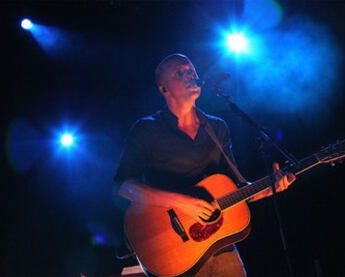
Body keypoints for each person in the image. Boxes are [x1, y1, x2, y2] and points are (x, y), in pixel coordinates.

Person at [114, 53, 296, 276]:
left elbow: (237, 188)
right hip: (174, 254)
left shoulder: (217, 127)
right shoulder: (147, 129)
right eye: (180, 73)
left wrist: (269, 187)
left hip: (221, 244)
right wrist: (182, 202)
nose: (189, 74)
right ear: (164, 89)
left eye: (191, 70)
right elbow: (122, 186)